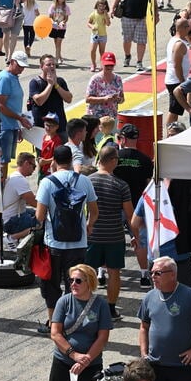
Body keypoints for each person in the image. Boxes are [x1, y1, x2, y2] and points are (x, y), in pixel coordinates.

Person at [34, 145, 98, 331]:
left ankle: (53, 323)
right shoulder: (84, 181)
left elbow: (39, 216)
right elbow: (94, 211)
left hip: (54, 243)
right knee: (76, 283)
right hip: (78, 243)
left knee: (51, 284)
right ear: (71, 160)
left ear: (53, 160)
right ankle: (74, 322)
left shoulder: (47, 182)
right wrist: (88, 225)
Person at [49, 264, 111, 381]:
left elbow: (103, 337)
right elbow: (55, 333)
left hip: (91, 366)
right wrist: (75, 355)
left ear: (89, 283)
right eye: (71, 280)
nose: (73, 284)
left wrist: (86, 360)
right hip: (64, 363)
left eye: (78, 281)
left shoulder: (100, 304)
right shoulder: (64, 301)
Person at [86, 145, 134, 320]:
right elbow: (130, 215)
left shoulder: (87, 181)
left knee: (87, 272)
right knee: (114, 273)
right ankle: (111, 309)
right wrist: (135, 236)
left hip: (92, 235)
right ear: (113, 160)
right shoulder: (121, 185)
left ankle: (87, 307)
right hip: (114, 236)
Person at [113, 123, 154, 288]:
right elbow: (147, 186)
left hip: (115, 205)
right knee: (140, 241)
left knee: (110, 240)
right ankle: (144, 275)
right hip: (137, 206)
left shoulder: (114, 157)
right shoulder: (144, 160)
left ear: (122, 138)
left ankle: (102, 274)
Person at [112, 0, 156, 72]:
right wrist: (113, 8)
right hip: (127, 16)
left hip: (142, 17)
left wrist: (156, 14)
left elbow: (153, 0)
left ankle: (139, 62)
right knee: (127, 39)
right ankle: (127, 56)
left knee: (141, 41)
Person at [0, 52, 32, 172]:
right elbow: (0, 105)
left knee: (6, 161)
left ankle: (4, 185)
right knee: (3, 162)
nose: (21, 69)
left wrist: (17, 125)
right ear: (11, 62)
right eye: (19, 66)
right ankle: (1, 188)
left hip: (11, 125)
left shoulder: (13, 77)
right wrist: (20, 119)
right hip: (4, 126)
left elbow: (13, 104)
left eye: (23, 67)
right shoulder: (5, 78)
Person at [28, 54, 73, 141]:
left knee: (63, 152)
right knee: (43, 153)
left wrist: (56, 84)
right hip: (42, 128)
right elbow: (39, 101)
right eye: (48, 65)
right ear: (41, 66)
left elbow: (69, 99)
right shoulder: (35, 82)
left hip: (60, 126)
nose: (52, 67)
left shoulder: (60, 81)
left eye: (53, 64)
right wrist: (50, 85)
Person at [1, 152, 38, 241]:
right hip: (12, 221)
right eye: (34, 166)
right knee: (42, 221)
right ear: (26, 163)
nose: (34, 170)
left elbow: (29, 198)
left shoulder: (13, 176)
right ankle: (11, 238)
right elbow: (33, 203)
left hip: (6, 218)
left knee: (33, 212)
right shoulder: (19, 180)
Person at [164, 18, 191, 128]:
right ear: (181, 28)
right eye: (187, 27)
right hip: (176, 80)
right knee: (174, 110)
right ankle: (169, 132)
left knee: (176, 110)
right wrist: (182, 82)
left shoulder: (175, 40)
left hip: (174, 79)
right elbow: (177, 65)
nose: (188, 29)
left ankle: (170, 130)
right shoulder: (179, 44)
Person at [85, 52, 124, 119]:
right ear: (102, 64)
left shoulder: (118, 79)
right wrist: (104, 99)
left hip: (111, 117)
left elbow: (122, 98)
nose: (109, 67)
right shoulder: (95, 79)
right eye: (106, 65)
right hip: (96, 118)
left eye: (111, 65)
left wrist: (118, 99)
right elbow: (88, 99)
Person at [86, 0, 111, 73]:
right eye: (99, 6)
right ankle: (93, 64)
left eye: (103, 6)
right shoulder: (93, 14)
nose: (101, 8)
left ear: (105, 7)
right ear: (97, 6)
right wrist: (92, 26)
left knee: (102, 51)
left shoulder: (105, 14)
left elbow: (108, 24)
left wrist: (106, 15)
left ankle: (102, 65)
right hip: (95, 34)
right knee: (92, 50)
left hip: (103, 35)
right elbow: (88, 23)